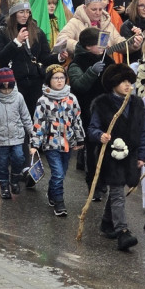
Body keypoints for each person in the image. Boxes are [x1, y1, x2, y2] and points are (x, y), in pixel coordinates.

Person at [87, 64, 145, 251]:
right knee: (117, 192)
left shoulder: (137, 103)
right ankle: (122, 231)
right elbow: (92, 128)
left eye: (130, 82)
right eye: (123, 82)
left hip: (130, 155)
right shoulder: (102, 104)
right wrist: (100, 136)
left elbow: (142, 131)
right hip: (111, 156)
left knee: (118, 191)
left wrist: (142, 155)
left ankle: (107, 222)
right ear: (113, 84)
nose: (127, 85)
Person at [30, 65, 85, 218]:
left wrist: (80, 138)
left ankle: (52, 191)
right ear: (49, 81)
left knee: (62, 172)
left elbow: (77, 119)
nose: (59, 81)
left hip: (68, 142)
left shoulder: (72, 98)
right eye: (56, 78)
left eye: (62, 77)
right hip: (51, 143)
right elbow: (38, 123)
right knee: (58, 173)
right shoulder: (43, 100)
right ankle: (60, 203)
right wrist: (34, 144)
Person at [0, 67, 33, 199]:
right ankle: (4, 187)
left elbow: (25, 116)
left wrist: (31, 132)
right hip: (0, 136)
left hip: (17, 135)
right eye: (3, 85)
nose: (6, 88)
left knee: (19, 157)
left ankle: (15, 179)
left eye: (8, 85)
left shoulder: (18, 97)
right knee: (2, 163)